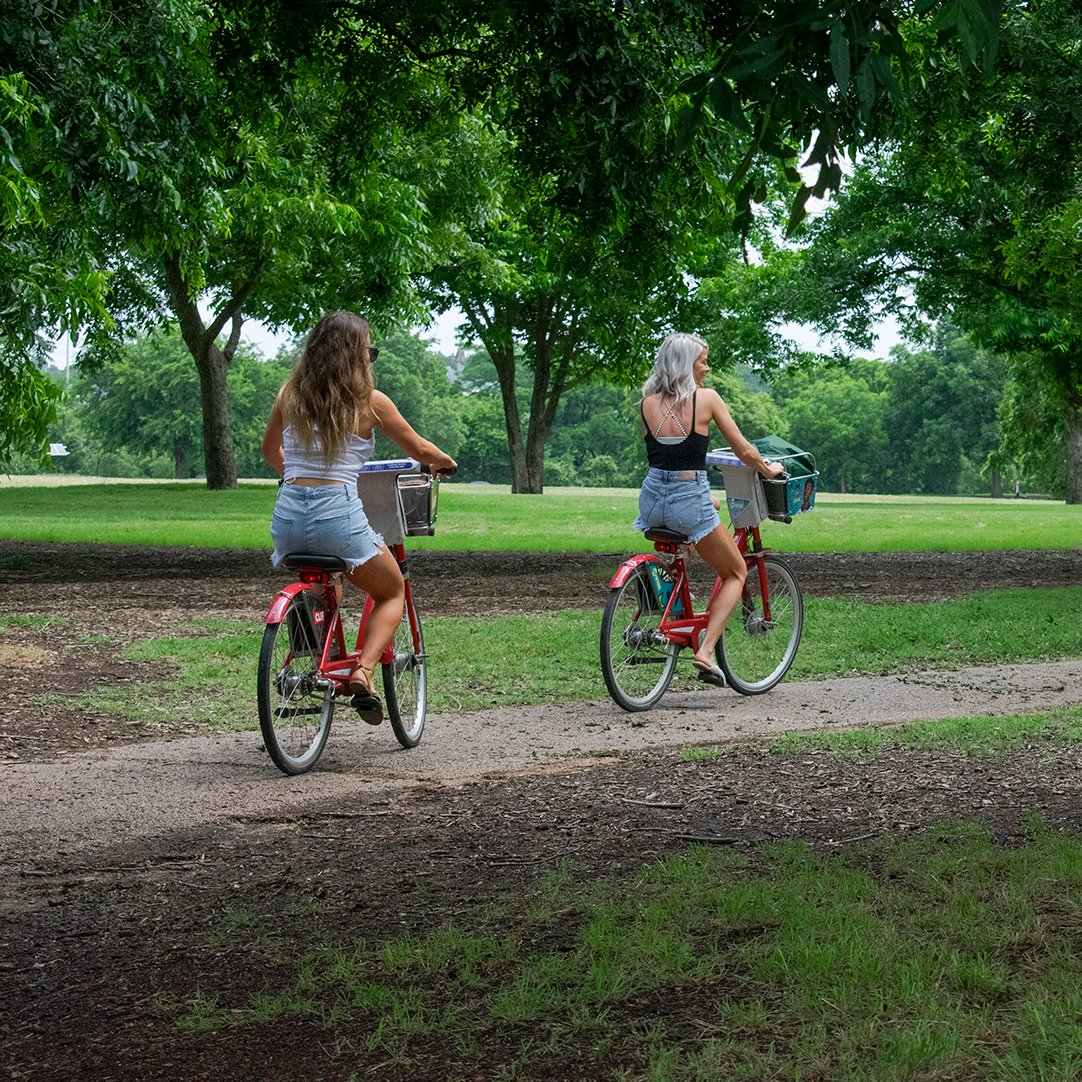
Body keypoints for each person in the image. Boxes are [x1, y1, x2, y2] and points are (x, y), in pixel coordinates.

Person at [261, 310, 456, 723]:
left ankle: (317, 654)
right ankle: (363, 672)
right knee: (391, 590)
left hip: (287, 519)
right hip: (337, 517)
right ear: (356, 355)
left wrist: (297, 476)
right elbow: (420, 450)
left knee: (324, 581)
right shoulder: (371, 402)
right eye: (370, 351)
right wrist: (445, 462)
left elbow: (269, 451)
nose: (371, 358)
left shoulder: (289, 394)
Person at [633, 332, 784, 687]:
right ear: (686, 365)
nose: (707, 367)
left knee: (709, 505)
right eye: (703, 361)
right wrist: (768, 469)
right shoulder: (707, 399)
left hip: (653, 500)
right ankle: (706, 650)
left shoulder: (646, 404)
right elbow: (744, 451)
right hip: (688, 499)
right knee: (735, 572)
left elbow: (668, 459)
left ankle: (677, 597)